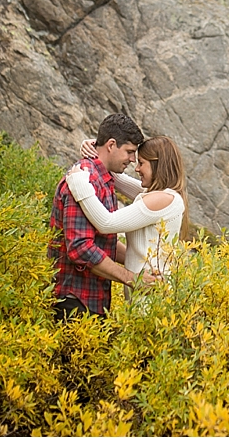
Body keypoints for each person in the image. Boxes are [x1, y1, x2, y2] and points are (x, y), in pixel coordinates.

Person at [48, 113, 145, 321]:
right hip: (74, 301)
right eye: (129, 152)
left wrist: (140, 260)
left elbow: (103, 242)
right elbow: (81, 248)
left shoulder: (103, 179)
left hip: (91, 300)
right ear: (111, 145)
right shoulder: (84, 179)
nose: (132, 160)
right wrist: (132, 279)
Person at [68, 135, 190, 297]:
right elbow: (115, 174)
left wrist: (78, 183)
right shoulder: (158, 195)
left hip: (150, 295)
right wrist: (96, 148)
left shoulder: (164, 199)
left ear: (157, 166)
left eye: (141, 163)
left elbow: (106, 223)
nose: (137, 168)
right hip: (145, 293)